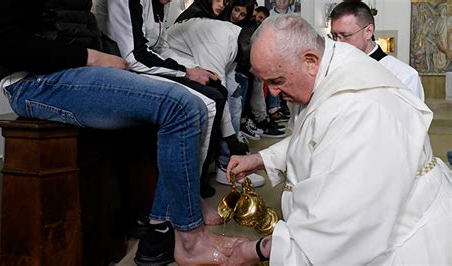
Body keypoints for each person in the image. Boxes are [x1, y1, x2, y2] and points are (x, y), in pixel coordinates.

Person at [0, 0, 245, 265]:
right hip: (34, 80)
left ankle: (159, 229)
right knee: (181, 106)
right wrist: (90, 57)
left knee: (195, 105)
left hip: (68, 70)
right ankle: (189, 240)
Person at [225, 14, 451, 265]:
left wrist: (261, 250)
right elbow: (316, 134)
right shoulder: (330, 68)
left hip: (402, 243)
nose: (273, 92)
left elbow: (341, 229)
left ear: (310, 61)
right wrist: (261, 158)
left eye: (277, 81)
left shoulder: (361, 110)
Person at [93, 0, 251, 198]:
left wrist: (196, 69)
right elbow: (135, 56)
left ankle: (197, 180)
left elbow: (162, 47)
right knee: (209, 101)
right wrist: (187, 72)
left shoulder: (162, 3)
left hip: (145, 61)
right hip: (123, 62)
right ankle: (191, 190)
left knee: (216, 88)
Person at [167, 18, 266, 187]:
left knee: (235, 96)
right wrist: (232, 140)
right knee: (216, 101)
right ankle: (216, 170)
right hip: (171, 60)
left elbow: (229, 84)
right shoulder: (218, 41)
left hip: (190, 60)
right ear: (249, 45)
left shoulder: (236, 39)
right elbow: (218, 90)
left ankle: (230, 162)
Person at [329, 0, 425, 101]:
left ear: (368, 32)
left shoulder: (404, 75)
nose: (338, 43)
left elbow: (411, 116)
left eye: (345, 35)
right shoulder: (333, 70)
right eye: (334, 36)